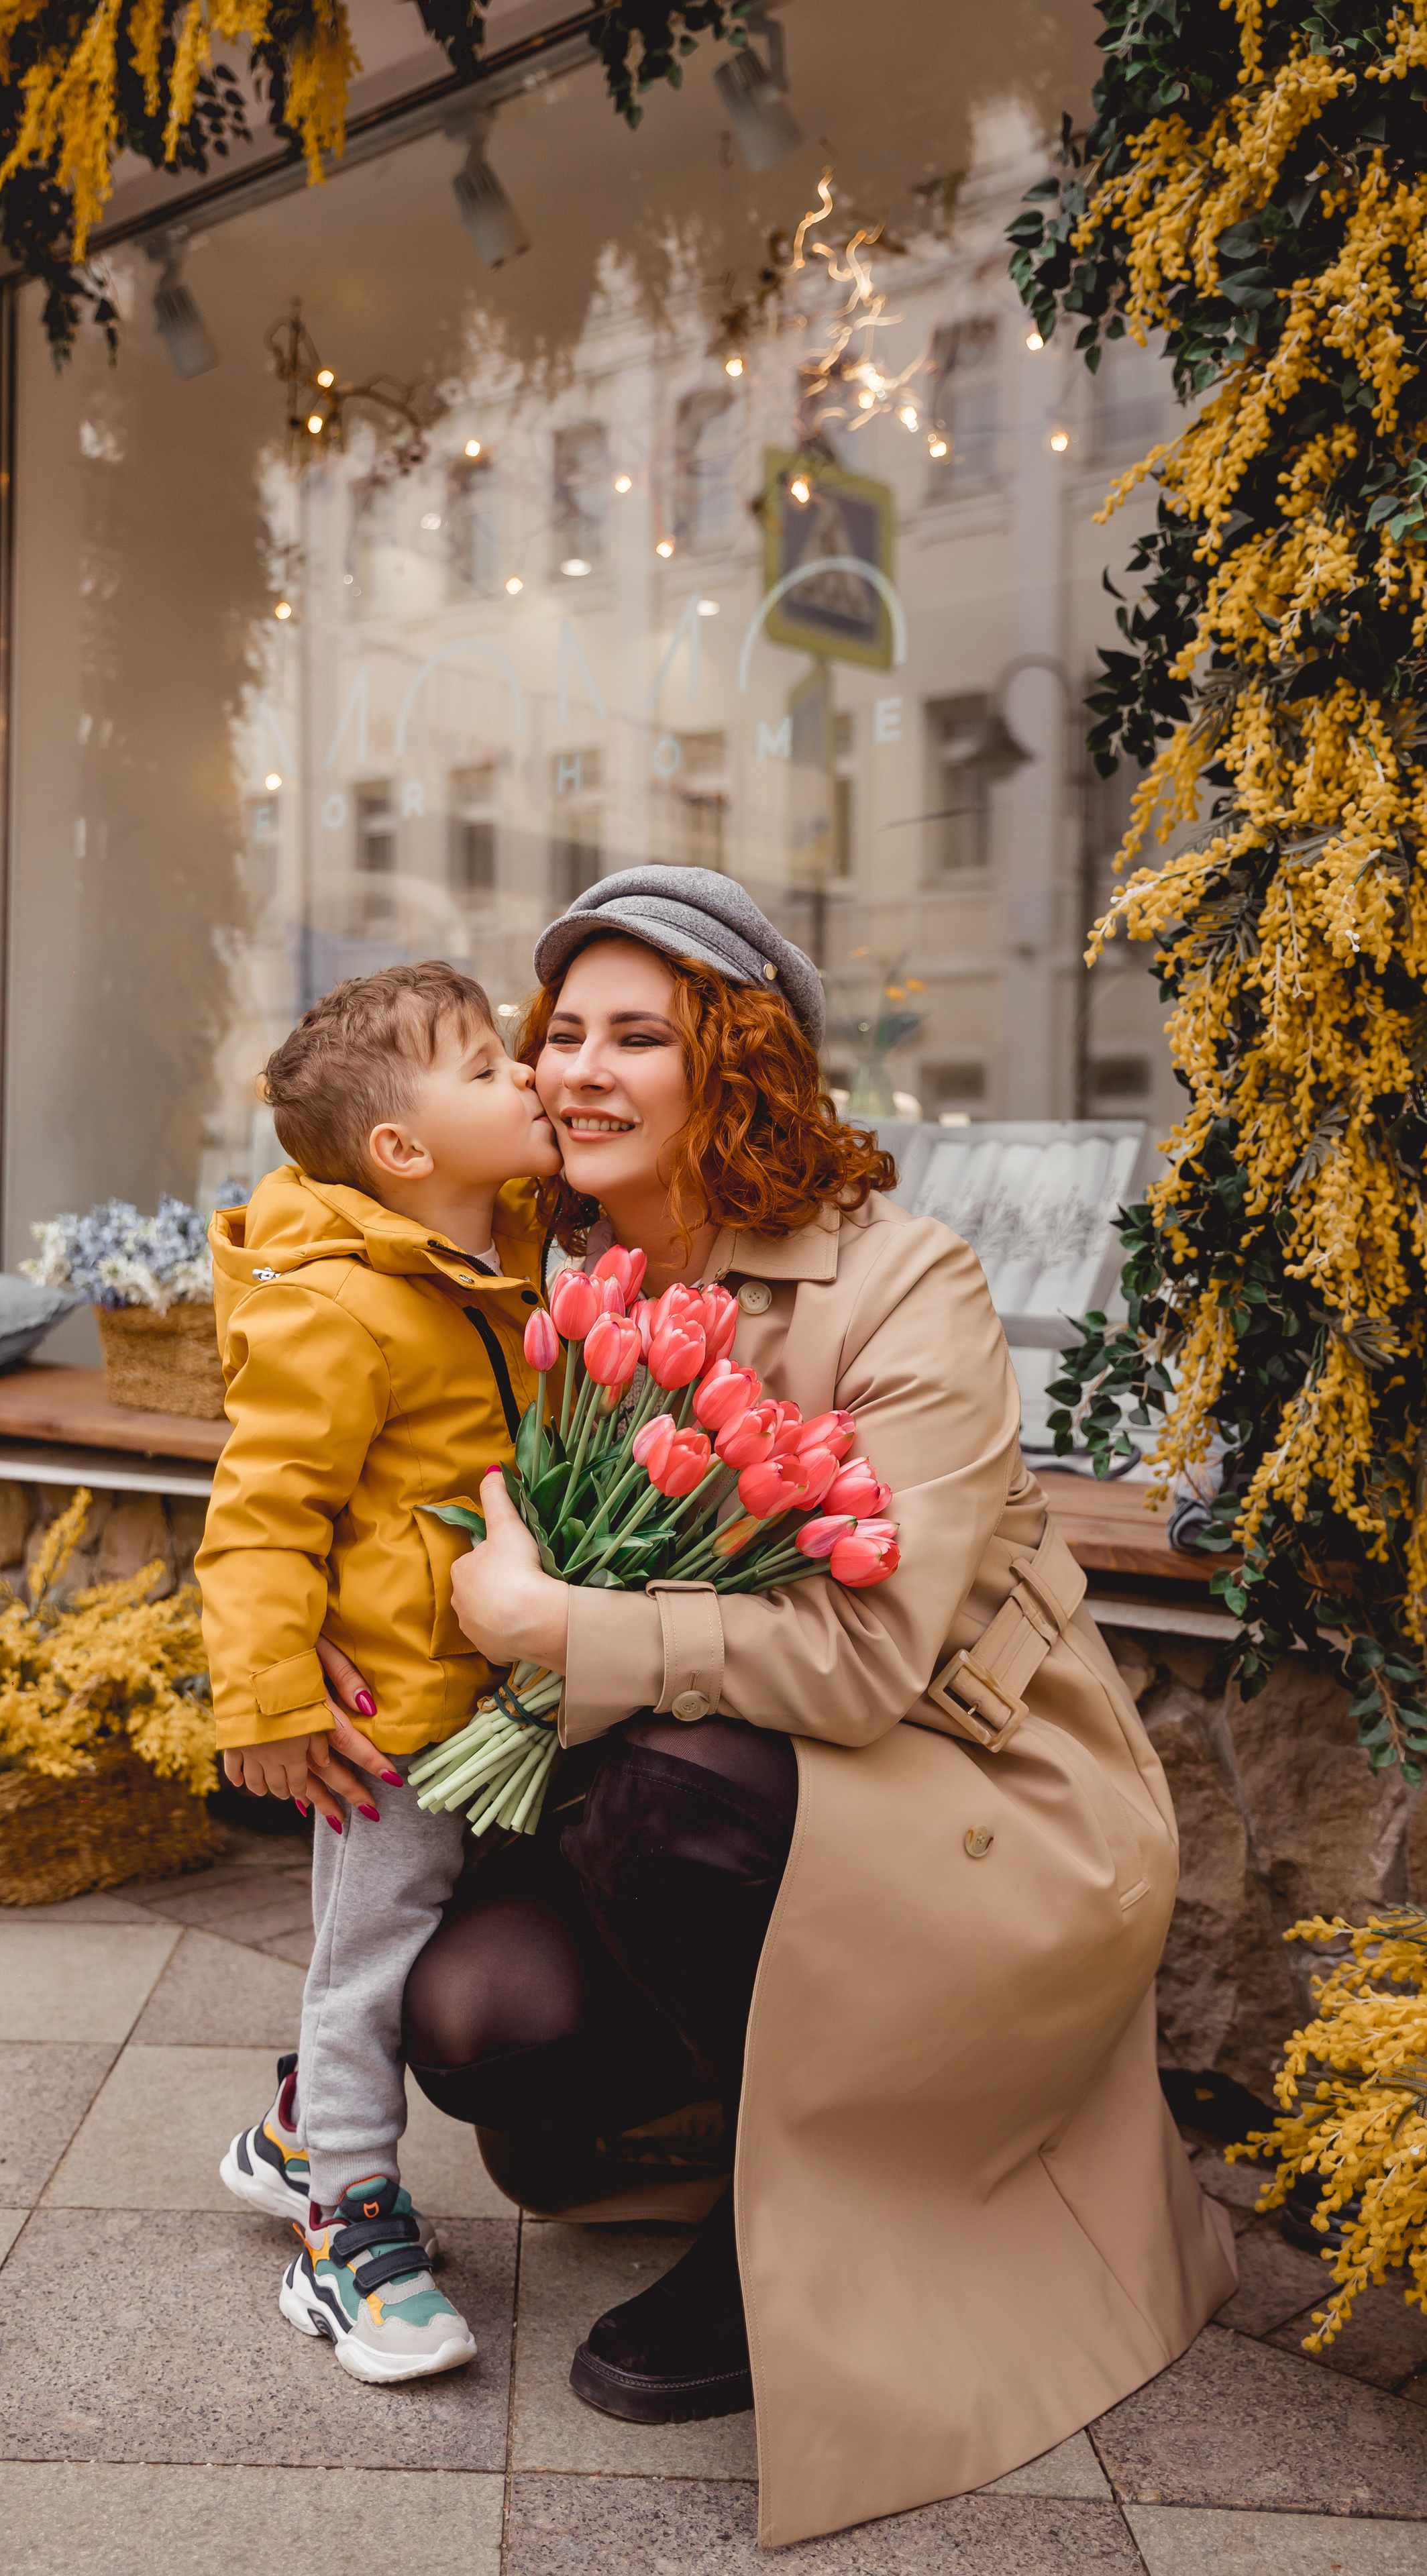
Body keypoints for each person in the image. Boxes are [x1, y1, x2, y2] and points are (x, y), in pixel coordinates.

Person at [399, 867, 1238, 2545]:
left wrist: (561, 1624)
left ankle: (782, 2229)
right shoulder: (562, 1288)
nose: (576, 1068)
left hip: (970, 1806)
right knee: (475, 2021)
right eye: (558, 1031)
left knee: (659, 1795)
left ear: (738, 1061)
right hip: (722, 1799)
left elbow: (865, 1664)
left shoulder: (900, 1285)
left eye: (637, 1034)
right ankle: (746, 2125)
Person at [195, 961, 560, 2385]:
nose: (526, 1076)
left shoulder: (502, 1248)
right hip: (388, 1726)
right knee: (365, 1969)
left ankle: (295, 2131)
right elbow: (261, 1510)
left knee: (420, 1950)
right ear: (401, 1152)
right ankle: (344, 2223)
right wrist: (270, 1699)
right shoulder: (334, 1308)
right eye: (486, 1069)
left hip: (504, 1703)